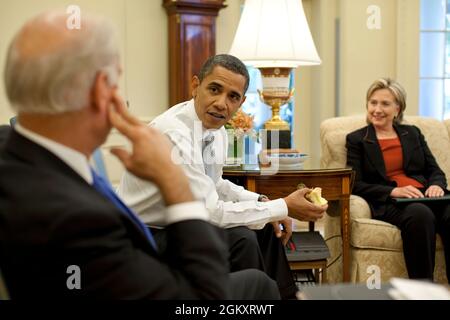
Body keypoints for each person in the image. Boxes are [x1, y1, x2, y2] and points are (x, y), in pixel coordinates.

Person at [0, 10, 280, 299]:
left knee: (253, 247)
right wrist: (174, 183)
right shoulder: (80, 221)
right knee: (259, 284)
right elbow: (201, 295)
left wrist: (261, 202)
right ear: (100, 92)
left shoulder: (12, 149)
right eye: (115, 82)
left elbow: (214, 184)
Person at [117, 54, 328, 298]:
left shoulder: (216, 130)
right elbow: (210, 212)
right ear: (195, 86)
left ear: (241, 103)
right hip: (145, 236)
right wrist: (284, 206)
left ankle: (284, 298)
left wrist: (263, 202)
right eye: (214, 89)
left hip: (179, 226)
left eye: (232, 97)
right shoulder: (174, 134)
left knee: (266, 227)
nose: (221, 103)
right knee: (243, 239)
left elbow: (215, 184)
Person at [346, 78, 450, 282]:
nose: (377, 109)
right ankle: (423, 290)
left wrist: (437, 185)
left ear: (398, 108)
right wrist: (392, 191)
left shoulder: (412, 133)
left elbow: (434, 170)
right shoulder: (357, 139)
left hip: (427, 195)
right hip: (393, 202)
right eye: (373, 102)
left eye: (385, 104)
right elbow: (354, 183)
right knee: (421, 214)